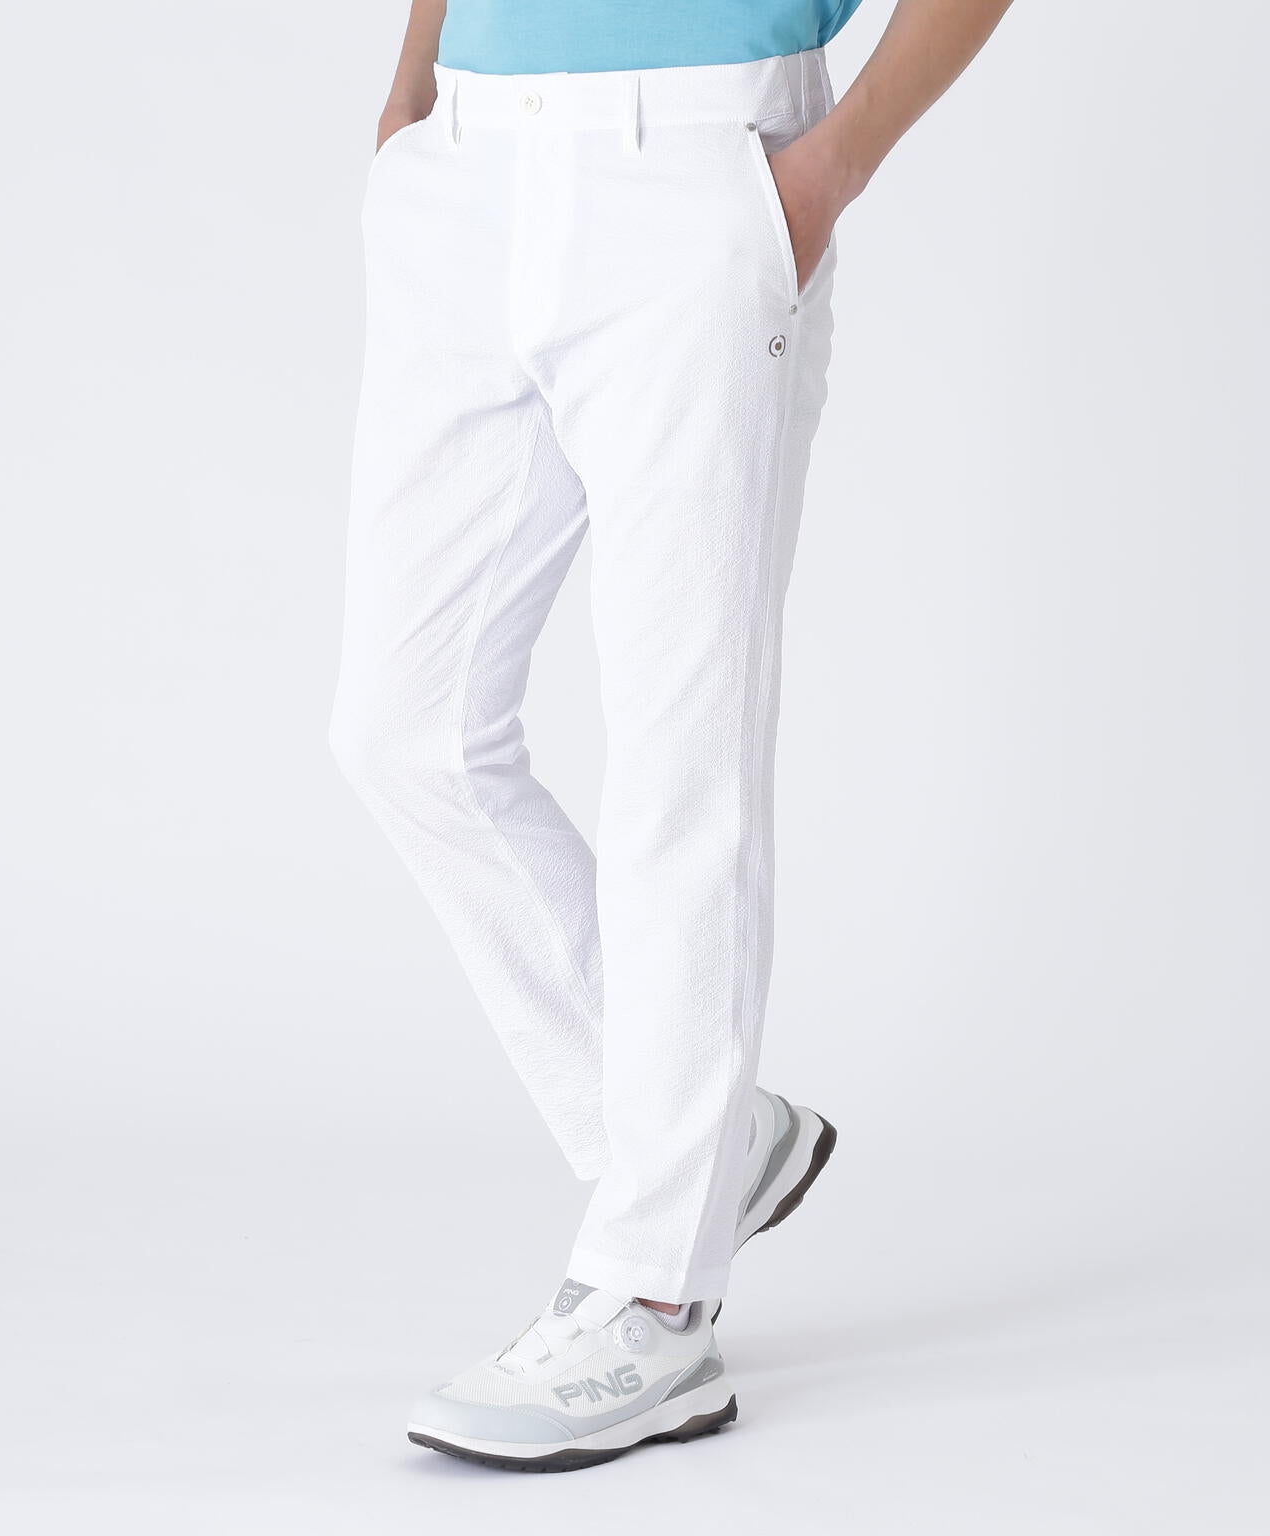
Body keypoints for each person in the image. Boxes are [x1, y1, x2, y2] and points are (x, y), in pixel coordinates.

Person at [330, 0, 1014, 1471]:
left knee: (676, 760)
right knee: (404, 728)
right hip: (466, 175)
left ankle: (655, 1300)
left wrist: (825, 173)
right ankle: (713, 1143)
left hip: (699, 170)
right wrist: (411, 96)